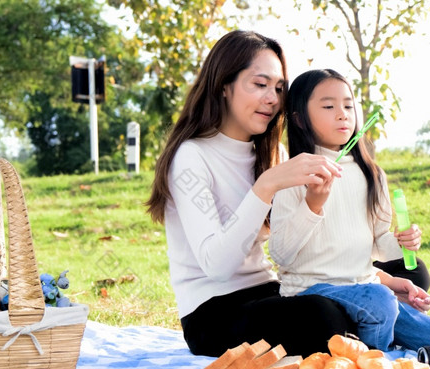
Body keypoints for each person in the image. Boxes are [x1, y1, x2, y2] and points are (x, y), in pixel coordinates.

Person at [145, 30, 355, 357]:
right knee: (322, 316)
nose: (272, 98)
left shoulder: (272, 154)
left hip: (270, 293)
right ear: (224, 85)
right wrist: (265, 187)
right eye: (260, 84)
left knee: (364, 296)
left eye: (279, 88)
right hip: (212, 313)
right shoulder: (191, 156)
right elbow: (217, 265)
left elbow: (296, 249)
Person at [268, 68, 430, 351]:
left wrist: (405, 243)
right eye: (329, 106)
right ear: (300, 120)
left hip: (367, 290)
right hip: (313, 293)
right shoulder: (292, 174)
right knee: (380, 302)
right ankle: (375, 354)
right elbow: (281, 254)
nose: (342, 114)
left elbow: (380, 247)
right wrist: (312, 204)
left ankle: (381, 343)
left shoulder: (372, 174)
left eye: (348, 105)